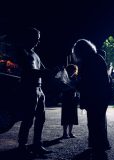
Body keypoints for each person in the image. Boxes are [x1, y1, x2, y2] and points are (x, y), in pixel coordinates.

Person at [71, 39, 111, 160]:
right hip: (101, 96)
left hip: (94, 96)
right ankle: (101, 146)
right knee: (99, 121)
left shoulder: (89, 62)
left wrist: (75, 83)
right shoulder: (98, 58)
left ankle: (97, 148)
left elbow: (88, 81)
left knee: (94, 122)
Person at [15, 27, 51, 155]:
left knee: (41, 118)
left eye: (38, 39)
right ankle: (22, 145)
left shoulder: (36, 54)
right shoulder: (22, 51)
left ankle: (37, 144)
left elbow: (44, 71)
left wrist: (55, 71)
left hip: (39, 89)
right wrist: (48, 72)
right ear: (29, 37)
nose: (38, 41)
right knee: (28, 118)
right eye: (36, 38)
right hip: (29, 88)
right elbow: (29, 71)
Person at [61, 64, 79, 138]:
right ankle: (65, 133)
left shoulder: (75, 78)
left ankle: (70, 132)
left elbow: (77, 88)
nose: (74, 72)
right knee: (65, 116)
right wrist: (71, 88)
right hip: (66, 98)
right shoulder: (64, 78)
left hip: (73, 99)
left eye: (75, 70)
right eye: (72, 70)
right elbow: (62, 89)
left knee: (72, 116)